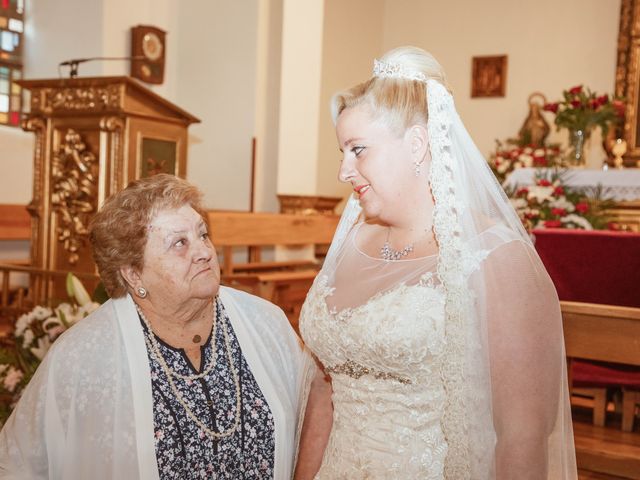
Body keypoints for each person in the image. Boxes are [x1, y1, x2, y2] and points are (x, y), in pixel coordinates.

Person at [294, 46, 577, 479]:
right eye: (342, 151)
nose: (344, 171)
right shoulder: (349, 240)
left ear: (417, 144)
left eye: (358, 149)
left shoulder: (497, 259)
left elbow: (522, 438)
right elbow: (322, 389)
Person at [0, 174, 306, 479]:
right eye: (179, 243)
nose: (204, 251)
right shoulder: (83, 355)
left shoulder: (265, 322)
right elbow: (18, 464)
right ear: (134, 275)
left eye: (203, 234)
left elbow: (310, 422)